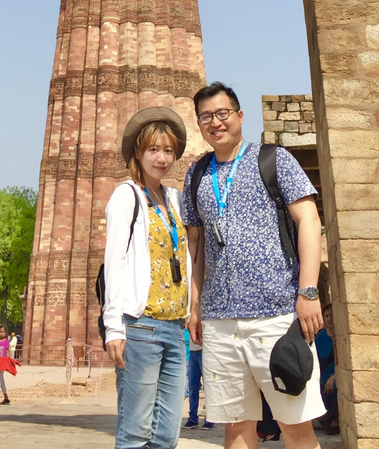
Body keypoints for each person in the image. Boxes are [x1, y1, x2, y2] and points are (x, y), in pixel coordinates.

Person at [183, 82, 325, 449]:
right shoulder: (196, 175)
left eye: (222, 113)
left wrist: (308, 292)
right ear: (199, 124)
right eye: (206, 117)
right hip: (220, 322)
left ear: (239, 116)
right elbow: (195, 246)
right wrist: (195, 305)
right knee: (236, 428)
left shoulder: (273, 160)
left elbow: (309, 220)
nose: (215, 122)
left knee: (294, 425)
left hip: (276, 317)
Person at [103, 105, 192, 449]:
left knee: (167, 435)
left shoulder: (175, 200)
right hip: (140, 326)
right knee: (136, 430)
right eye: (154, 149)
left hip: (174, 327)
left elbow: (188, 257)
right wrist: (114, 327)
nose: (162, 158)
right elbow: (115, 263)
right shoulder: (127, 196)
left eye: (169, 150)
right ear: (138, 152)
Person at [315, 304, 339, 433]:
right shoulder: (321, 336)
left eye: (332, 315)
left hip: (335, 374)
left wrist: (333, 377)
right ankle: (325, 418)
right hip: (322, 374)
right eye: (327, 316)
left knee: (334, 387)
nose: (329, 318)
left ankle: (335, 419)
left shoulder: (341, 336)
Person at [185, 331, 214, 430]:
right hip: (193, 352)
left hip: (204, 350)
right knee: (192, 386)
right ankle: (192, 418)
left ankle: (210, 419)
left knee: (208, 386)